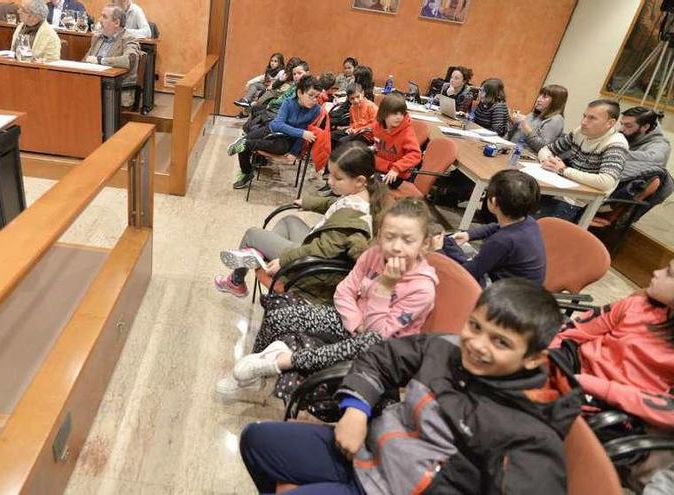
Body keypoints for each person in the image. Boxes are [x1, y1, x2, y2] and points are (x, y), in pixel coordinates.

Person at [240, 278, 580, 495]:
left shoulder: (529, 430)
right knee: (257, 440)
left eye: (500, 342)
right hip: (366, 450)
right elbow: (382, 356)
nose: (477, 344)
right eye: (474, 326)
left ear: (534, 358)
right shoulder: (447, 346)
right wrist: (356, 410)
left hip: (394, 487)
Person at [227, 199, 437, 402]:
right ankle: (256, 370)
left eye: (408, 240)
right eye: (390, 237)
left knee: (368, 341)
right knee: (278, 316)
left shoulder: (422, 289)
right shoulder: (373, 254)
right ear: (379, 235)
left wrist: (385, 287)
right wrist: (354, 322)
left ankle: (281, 360)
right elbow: (344, 290)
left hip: (382, 350)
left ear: (424, 243)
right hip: (353, 323)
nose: (397, 247)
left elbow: (378, 334)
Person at [551, 260, 674, 492]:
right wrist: (545, 350)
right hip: (570, 367)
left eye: (669, 274)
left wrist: (595, 386)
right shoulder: (637, 304)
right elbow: (576, 331)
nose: (656, 273)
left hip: (608, 406)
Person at [214, 142, 382, 302]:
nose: (330, 181)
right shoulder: (364, 197)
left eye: (337, 178)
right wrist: (308, 202)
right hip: (316, 247)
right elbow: (335, 205)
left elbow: (323, 251)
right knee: (289, 221)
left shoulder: (355, 222)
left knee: (252, 235)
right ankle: (260, 255)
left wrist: (284, 261)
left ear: (360, 180)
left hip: (313, 272)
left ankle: (236, 282)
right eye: (329, 174)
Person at [445, 170, 546, 286]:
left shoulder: (501, 241)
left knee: (443, 262)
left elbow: (469, 272)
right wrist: (469, 235)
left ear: (494, 201)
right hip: (524, 292)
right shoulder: (529, 222)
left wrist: (443, 250)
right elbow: (495, 227)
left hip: (501, 297)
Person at [537, 99, 629, 223]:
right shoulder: (580, 132)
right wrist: (547, 160)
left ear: (610, 123)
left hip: (583, 199)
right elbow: (546, 149)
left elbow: (606, 182)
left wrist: (563, 170)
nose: (584, 122)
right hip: (564, 186)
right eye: (584, 116)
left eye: (592, 118)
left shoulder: (617, 144)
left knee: (540, 224)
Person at [227, 74, 321, 189]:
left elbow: (306, 132)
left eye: (317, 96)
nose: (314, 100)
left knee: (277, 147)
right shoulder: (288, 103)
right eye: (311, 95)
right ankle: (247, 172)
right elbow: (278, 125)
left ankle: (246, 144)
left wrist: (294, 151)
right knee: (244, 142)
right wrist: (301, 133)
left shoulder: (316, 110)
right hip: (270, 129)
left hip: (287, 140)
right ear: (299, 93)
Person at [84, 4, 140, 100]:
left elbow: (129, 61)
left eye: (104, 17)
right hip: (92, 87)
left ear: (117, 23)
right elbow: (85, 61)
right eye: (101, 16)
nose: (100, 20)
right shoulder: (97, 38)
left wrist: (100, 60)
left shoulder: (129, 39)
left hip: (115, 91)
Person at [368, 91, 421, 188]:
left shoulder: (406, 131)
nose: (399, 117)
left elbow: (415, 154)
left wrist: (396, 168)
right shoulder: (377, 126)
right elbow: (378, 143)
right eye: (395, 113)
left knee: (370, 186)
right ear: (384, 113)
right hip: (378, 166)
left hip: (396, 173)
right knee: (354, 173)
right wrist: (372, 148)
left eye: (402, 113)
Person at [508, 84, 568, 153]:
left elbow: (541, 147)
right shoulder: (533, 114)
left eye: (544, 97)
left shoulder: (556, 120)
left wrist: (526, 127)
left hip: (528, 159)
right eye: (540, 95)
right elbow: (512, 137)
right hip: (512, 150)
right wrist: (513, 123)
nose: (538, 99)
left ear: (555, 102)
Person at [330, 83, 377, 148]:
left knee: (342, 141)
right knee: (331, 135)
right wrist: (351, 128)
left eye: (358, 97)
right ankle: (331, 156)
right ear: (349, 99)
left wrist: (357, 130)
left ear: (362, 93)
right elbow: (352, 122)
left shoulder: (371, 106)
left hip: (367, 135)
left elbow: (375, 125)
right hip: (354, 132)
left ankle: (340, 157)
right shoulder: (352, 108)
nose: (356, 100)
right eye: (352, 98)